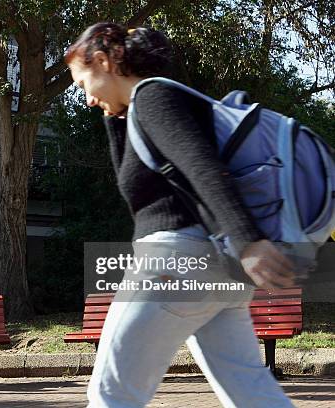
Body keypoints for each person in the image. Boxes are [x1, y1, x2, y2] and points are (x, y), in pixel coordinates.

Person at [65, 23, 296, 407]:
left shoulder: (154, 97)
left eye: (83, 82)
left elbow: (202, 166)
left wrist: (246, 240)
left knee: (113, 393)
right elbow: (133, 188)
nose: (86, 98)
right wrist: (113, 111)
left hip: (175, 264)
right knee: (249, 389)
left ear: (104, 61)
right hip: (214, 270)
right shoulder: (143, 106)